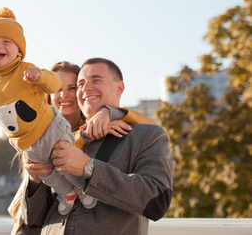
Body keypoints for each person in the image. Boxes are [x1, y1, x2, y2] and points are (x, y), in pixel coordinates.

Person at [0, 8, 97, 215]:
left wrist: (39, 76)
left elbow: (53, 83)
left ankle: (81, 187)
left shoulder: (25, 69)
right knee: (45, 171)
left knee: (64, 160)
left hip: (48, 129)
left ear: (19, 52)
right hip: (24, 141)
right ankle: (67, 192)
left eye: (6, 42)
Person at [20, 58, 175, 235]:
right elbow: (33, 221)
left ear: (119, 88)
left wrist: (88, 168)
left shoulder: (148, 135)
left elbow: (157, 201)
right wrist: (35, 182)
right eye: (80, 84)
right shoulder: (62, 140)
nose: (86, 88)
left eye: (96, 80)